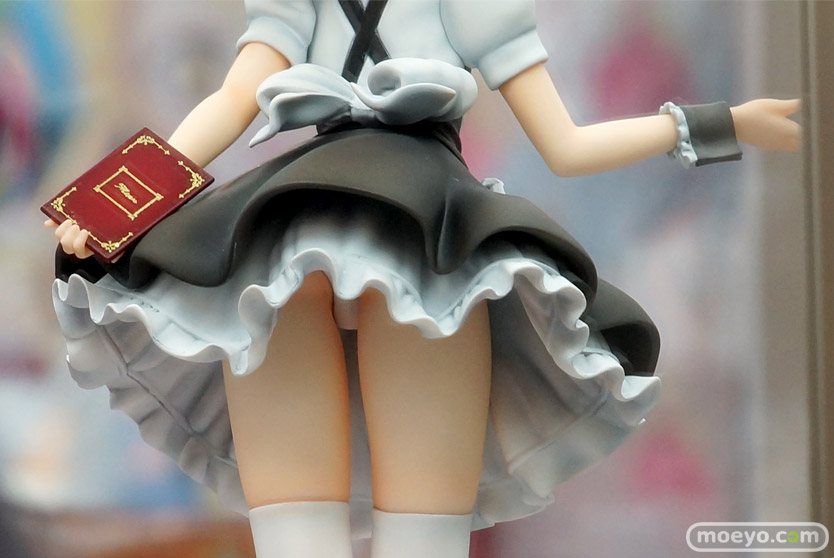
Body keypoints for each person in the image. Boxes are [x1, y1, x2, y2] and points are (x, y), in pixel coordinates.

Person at [45, 1, 799, 557]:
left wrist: (721, 125)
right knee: (351, 533)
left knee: (381, 535)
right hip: (372, 244)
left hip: (338, 240)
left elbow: (565, 145)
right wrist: (106, 209)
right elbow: (228, 105)